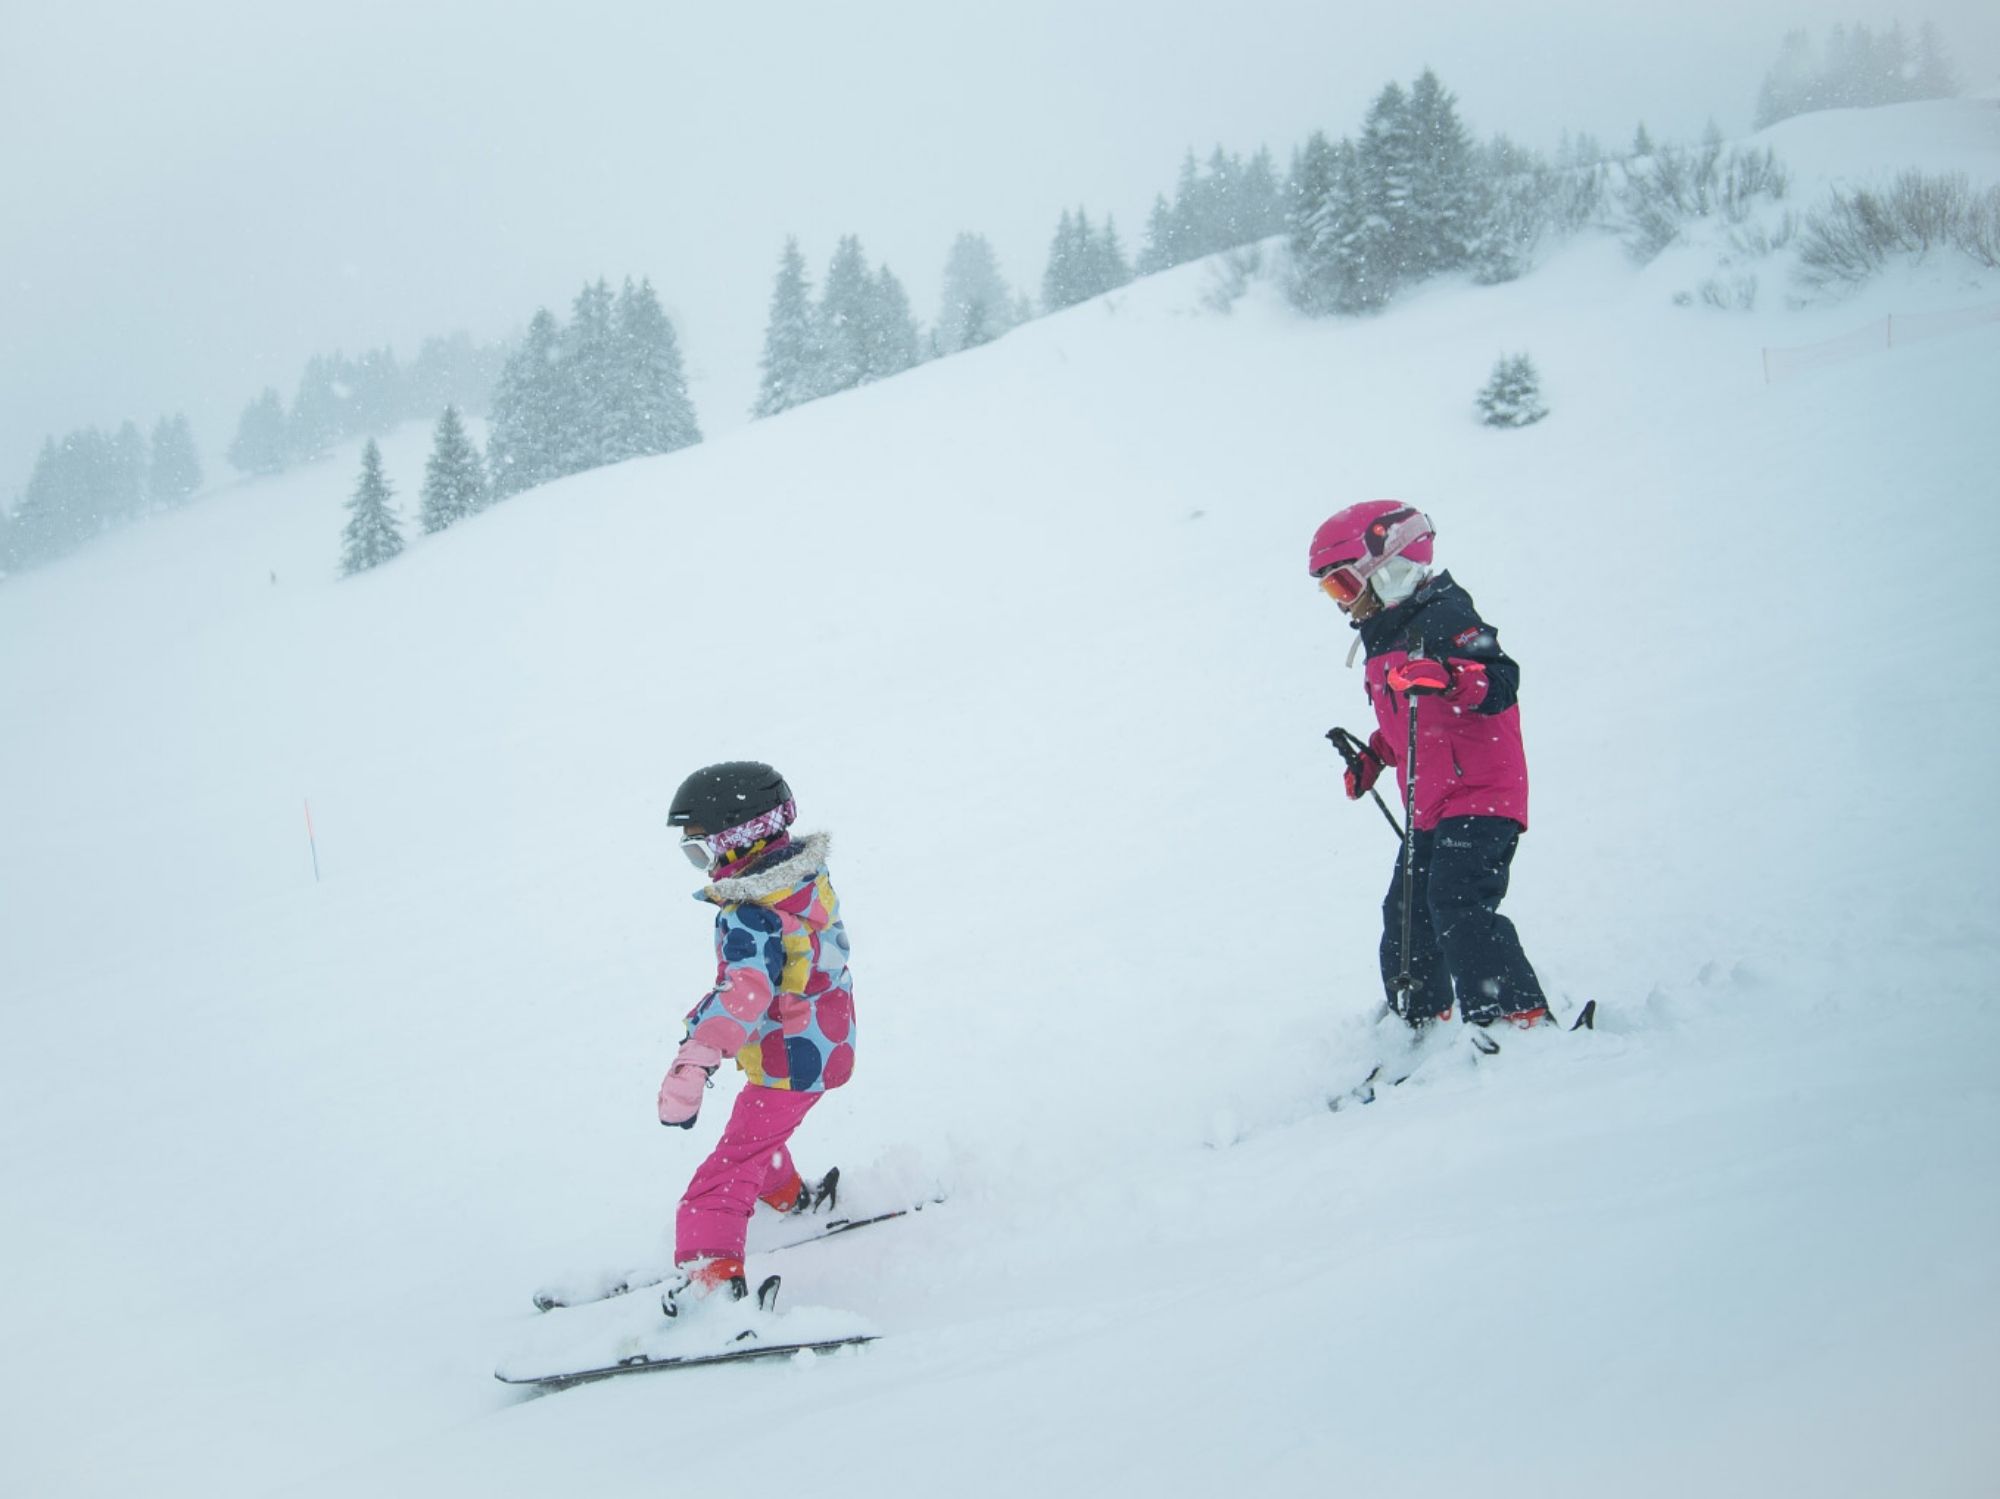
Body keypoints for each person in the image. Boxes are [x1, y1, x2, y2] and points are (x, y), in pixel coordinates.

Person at [1310, 502, 1550, 1031]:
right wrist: (1374, 756)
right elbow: (1409, 726)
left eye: (1346, 586)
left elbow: (1500, 680)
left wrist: (1449, 676)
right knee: (1406, 917)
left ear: (1390, 567)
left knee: (1458, 903)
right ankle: (1419, 1021)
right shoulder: (1383, 643)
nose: (1341, 603)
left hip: (1481, 796)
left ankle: (1516, 1018)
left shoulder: (1448, 615)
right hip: (1430, 806)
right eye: (1331, 591)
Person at [656, 760, 855, 1312]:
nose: (702, 865)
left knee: (723, 1175)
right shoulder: (801, 882)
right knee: (754, 1138)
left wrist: (695, 1058)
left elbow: (744, 992)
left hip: (791, 1057)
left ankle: (712, 1283)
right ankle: (791, 1197)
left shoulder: (752, 913)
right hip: (819, 1044)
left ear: (737, 842)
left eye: (702, 850)